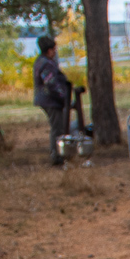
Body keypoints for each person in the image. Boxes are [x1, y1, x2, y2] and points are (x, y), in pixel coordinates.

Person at [32, 35, 73, 168]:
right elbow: (52, 84)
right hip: (50, 100)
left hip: (47, 99)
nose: (55, 52)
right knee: (57, 128)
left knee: (57, 127)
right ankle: (57, 156)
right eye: (54, 50)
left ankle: (58, 154)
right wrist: (63, 96)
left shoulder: (40, 61)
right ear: (49, 50)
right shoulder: (46, 64)